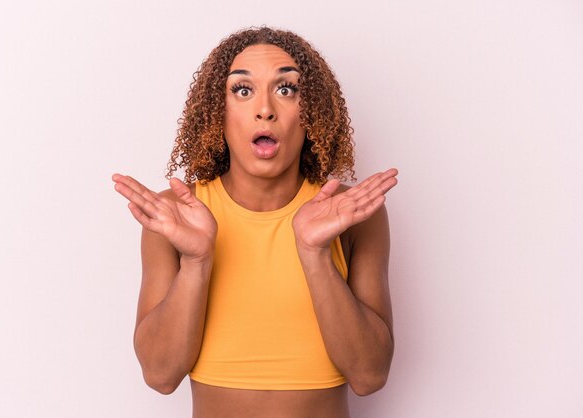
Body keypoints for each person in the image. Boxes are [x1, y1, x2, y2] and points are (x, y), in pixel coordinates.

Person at [112, 27, 398, 418]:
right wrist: (196, 263)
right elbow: (160, 375)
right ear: (217, 112)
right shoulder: (176, 215)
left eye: (286, 89)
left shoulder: (352, 214)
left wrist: (315, 255)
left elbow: (369, 376)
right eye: (242, 90)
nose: (265, 108)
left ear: (311, 112)